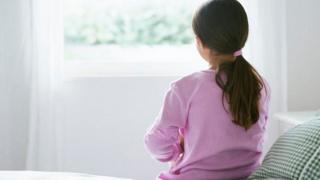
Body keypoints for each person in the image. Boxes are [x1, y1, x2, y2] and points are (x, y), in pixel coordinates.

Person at [144, 0, 270, 179]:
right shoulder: (259, 86)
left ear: (200, 42)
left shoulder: (185, 88)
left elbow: (156, 142)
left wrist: (176, 151)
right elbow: (256, 137)